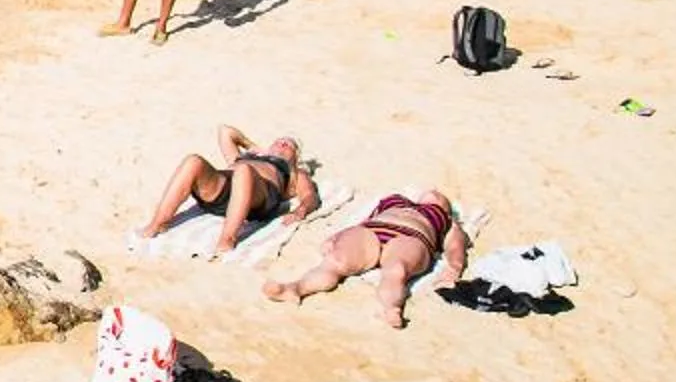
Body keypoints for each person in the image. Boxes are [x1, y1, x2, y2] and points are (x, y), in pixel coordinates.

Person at [265, 190, 469, 328]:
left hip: (412, 236)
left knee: (397, 270)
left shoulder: (445, 219)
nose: (433, 192)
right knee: (336, 260)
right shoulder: (395, 201)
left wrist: (454, 268)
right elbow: (365, 221)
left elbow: (455, 246)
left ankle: (392, 309)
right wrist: (335, 238)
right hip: (372, 230)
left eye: (439, 197)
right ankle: (296, 289)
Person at [138, 126, 322, 254]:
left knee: (243, 171)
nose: (282, 144)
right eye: (279, 141)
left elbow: (309, 196)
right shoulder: (245, 157)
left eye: (289, 145)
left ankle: (227, 239)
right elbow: (225, 131)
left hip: (260, 197)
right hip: (225, 190)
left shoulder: (294, 174)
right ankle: (157, 224)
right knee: (193, 161)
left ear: (295, 157)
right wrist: (253, 147)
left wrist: (301, 211)